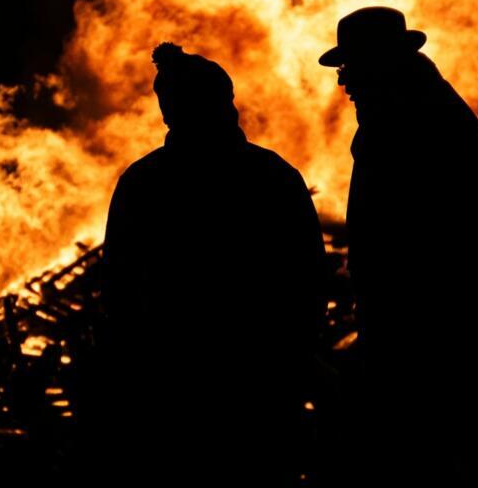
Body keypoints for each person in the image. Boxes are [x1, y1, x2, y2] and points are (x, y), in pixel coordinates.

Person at [98, 42, 326, 484]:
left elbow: (118, 293)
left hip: (170, 390)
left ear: (168, 111)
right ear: (226, 101)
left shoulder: (145, 183)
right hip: (259, 387)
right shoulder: (272, 176)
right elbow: (310, 280)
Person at [317, 7, 478, 476]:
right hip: (451, 321)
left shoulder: (409, 126)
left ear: (381, 62)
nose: (344, 83)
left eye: (350, 68)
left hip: (434, 325)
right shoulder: (420, 112)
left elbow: (411, 242)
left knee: (433, 463)